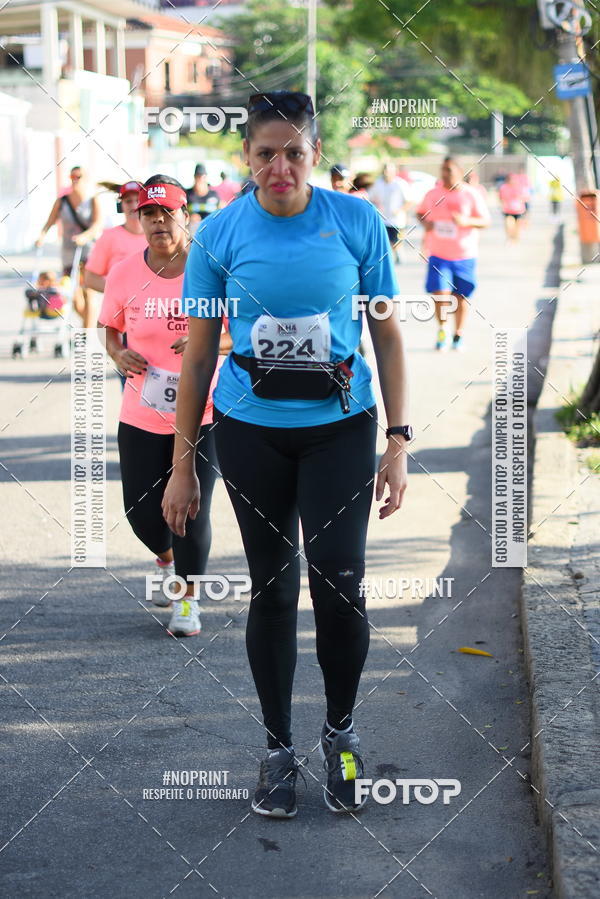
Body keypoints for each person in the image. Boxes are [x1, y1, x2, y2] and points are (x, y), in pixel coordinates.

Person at [162, 90, 410, 818]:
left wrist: (398, 441)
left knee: (340, 581)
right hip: (250, 428)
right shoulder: (217, 234)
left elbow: (388, 334)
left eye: (293, 152)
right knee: (272, 584)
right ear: (246, 156)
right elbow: (200, 353)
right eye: (265, 153)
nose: (279, 166)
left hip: (341, 424)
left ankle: (341, 731)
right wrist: (182, 464)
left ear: (315, 154)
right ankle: (277, 747)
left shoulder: (357, 221)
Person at [97, 174, 227, 638]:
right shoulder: (125, 272)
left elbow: (239, 331)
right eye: (149, 214)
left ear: (185, 217)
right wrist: (117, 352)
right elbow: (109, 327)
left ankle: (189, 602)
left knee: (192, 508)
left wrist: (206, 340)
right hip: (141, 409)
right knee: (140, 511)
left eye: (167, 213)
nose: (158, 222)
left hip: (202, 411)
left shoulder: (210, 270)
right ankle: (167, 560)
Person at [417, 156, 490, 351]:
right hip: (438, 254)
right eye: (443, 170)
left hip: (464, 254)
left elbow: (485, 221)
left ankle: (458, 334)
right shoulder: (433, 193)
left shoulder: (471, 194)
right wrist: (427, 223)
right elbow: (420, 212)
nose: (445, 174)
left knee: (460, 297)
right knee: (440, 294)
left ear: (459, 171)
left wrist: (466, 222)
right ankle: (442, 330)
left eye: (449, 170)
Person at [36, 166, 102, 327]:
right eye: (72, 176)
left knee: (89, 293)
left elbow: (97, 226)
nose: (75, 180)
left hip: (89, 252)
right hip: (68, 254)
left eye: (79, 177)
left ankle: (86, 335)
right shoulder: (62, 201)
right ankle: (91, 324)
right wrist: (42, 235)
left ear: (86, 179)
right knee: (72, 296)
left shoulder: (92, 201)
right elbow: (50, 221)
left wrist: (84, 236)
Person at [84, 181, 147, 292]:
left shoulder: (158, 237)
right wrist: (120, 293)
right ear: (120, 206)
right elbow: (90, 278)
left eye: (138, 200)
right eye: (128, 201)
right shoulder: (109, 236)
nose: (133, 206)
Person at [369, 162, 410, 263]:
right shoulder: (377, 183)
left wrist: (400, 210)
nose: (386, 173)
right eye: (385, 170)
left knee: (397, 241)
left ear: (394, 171)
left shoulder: (400, 184)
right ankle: (388, 259)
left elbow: (409, 201)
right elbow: (370, 197)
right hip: (382, 219)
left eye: (389, 170)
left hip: (397, 220)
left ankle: (398, 254)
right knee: (384, 241)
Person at [186, 164, 220, 234]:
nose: (201, 180)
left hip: (211, 229)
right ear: (195, 178)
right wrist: (190, 217)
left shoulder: (213, 194)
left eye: (203, 177)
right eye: (198, 177)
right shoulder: (188, 194)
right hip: (194, 232)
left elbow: (220, 211)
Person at [499, 172, 527, 242]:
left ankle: (515, 238)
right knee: (509, 224)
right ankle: (509, 237)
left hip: (519, 210)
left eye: (514, 179)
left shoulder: (519, 187)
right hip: (508, 210)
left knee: (517, 226)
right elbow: (501, 198)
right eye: (511, 179)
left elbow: (524, 197)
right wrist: (502, 205)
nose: (513, 180)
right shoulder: (504, 187)